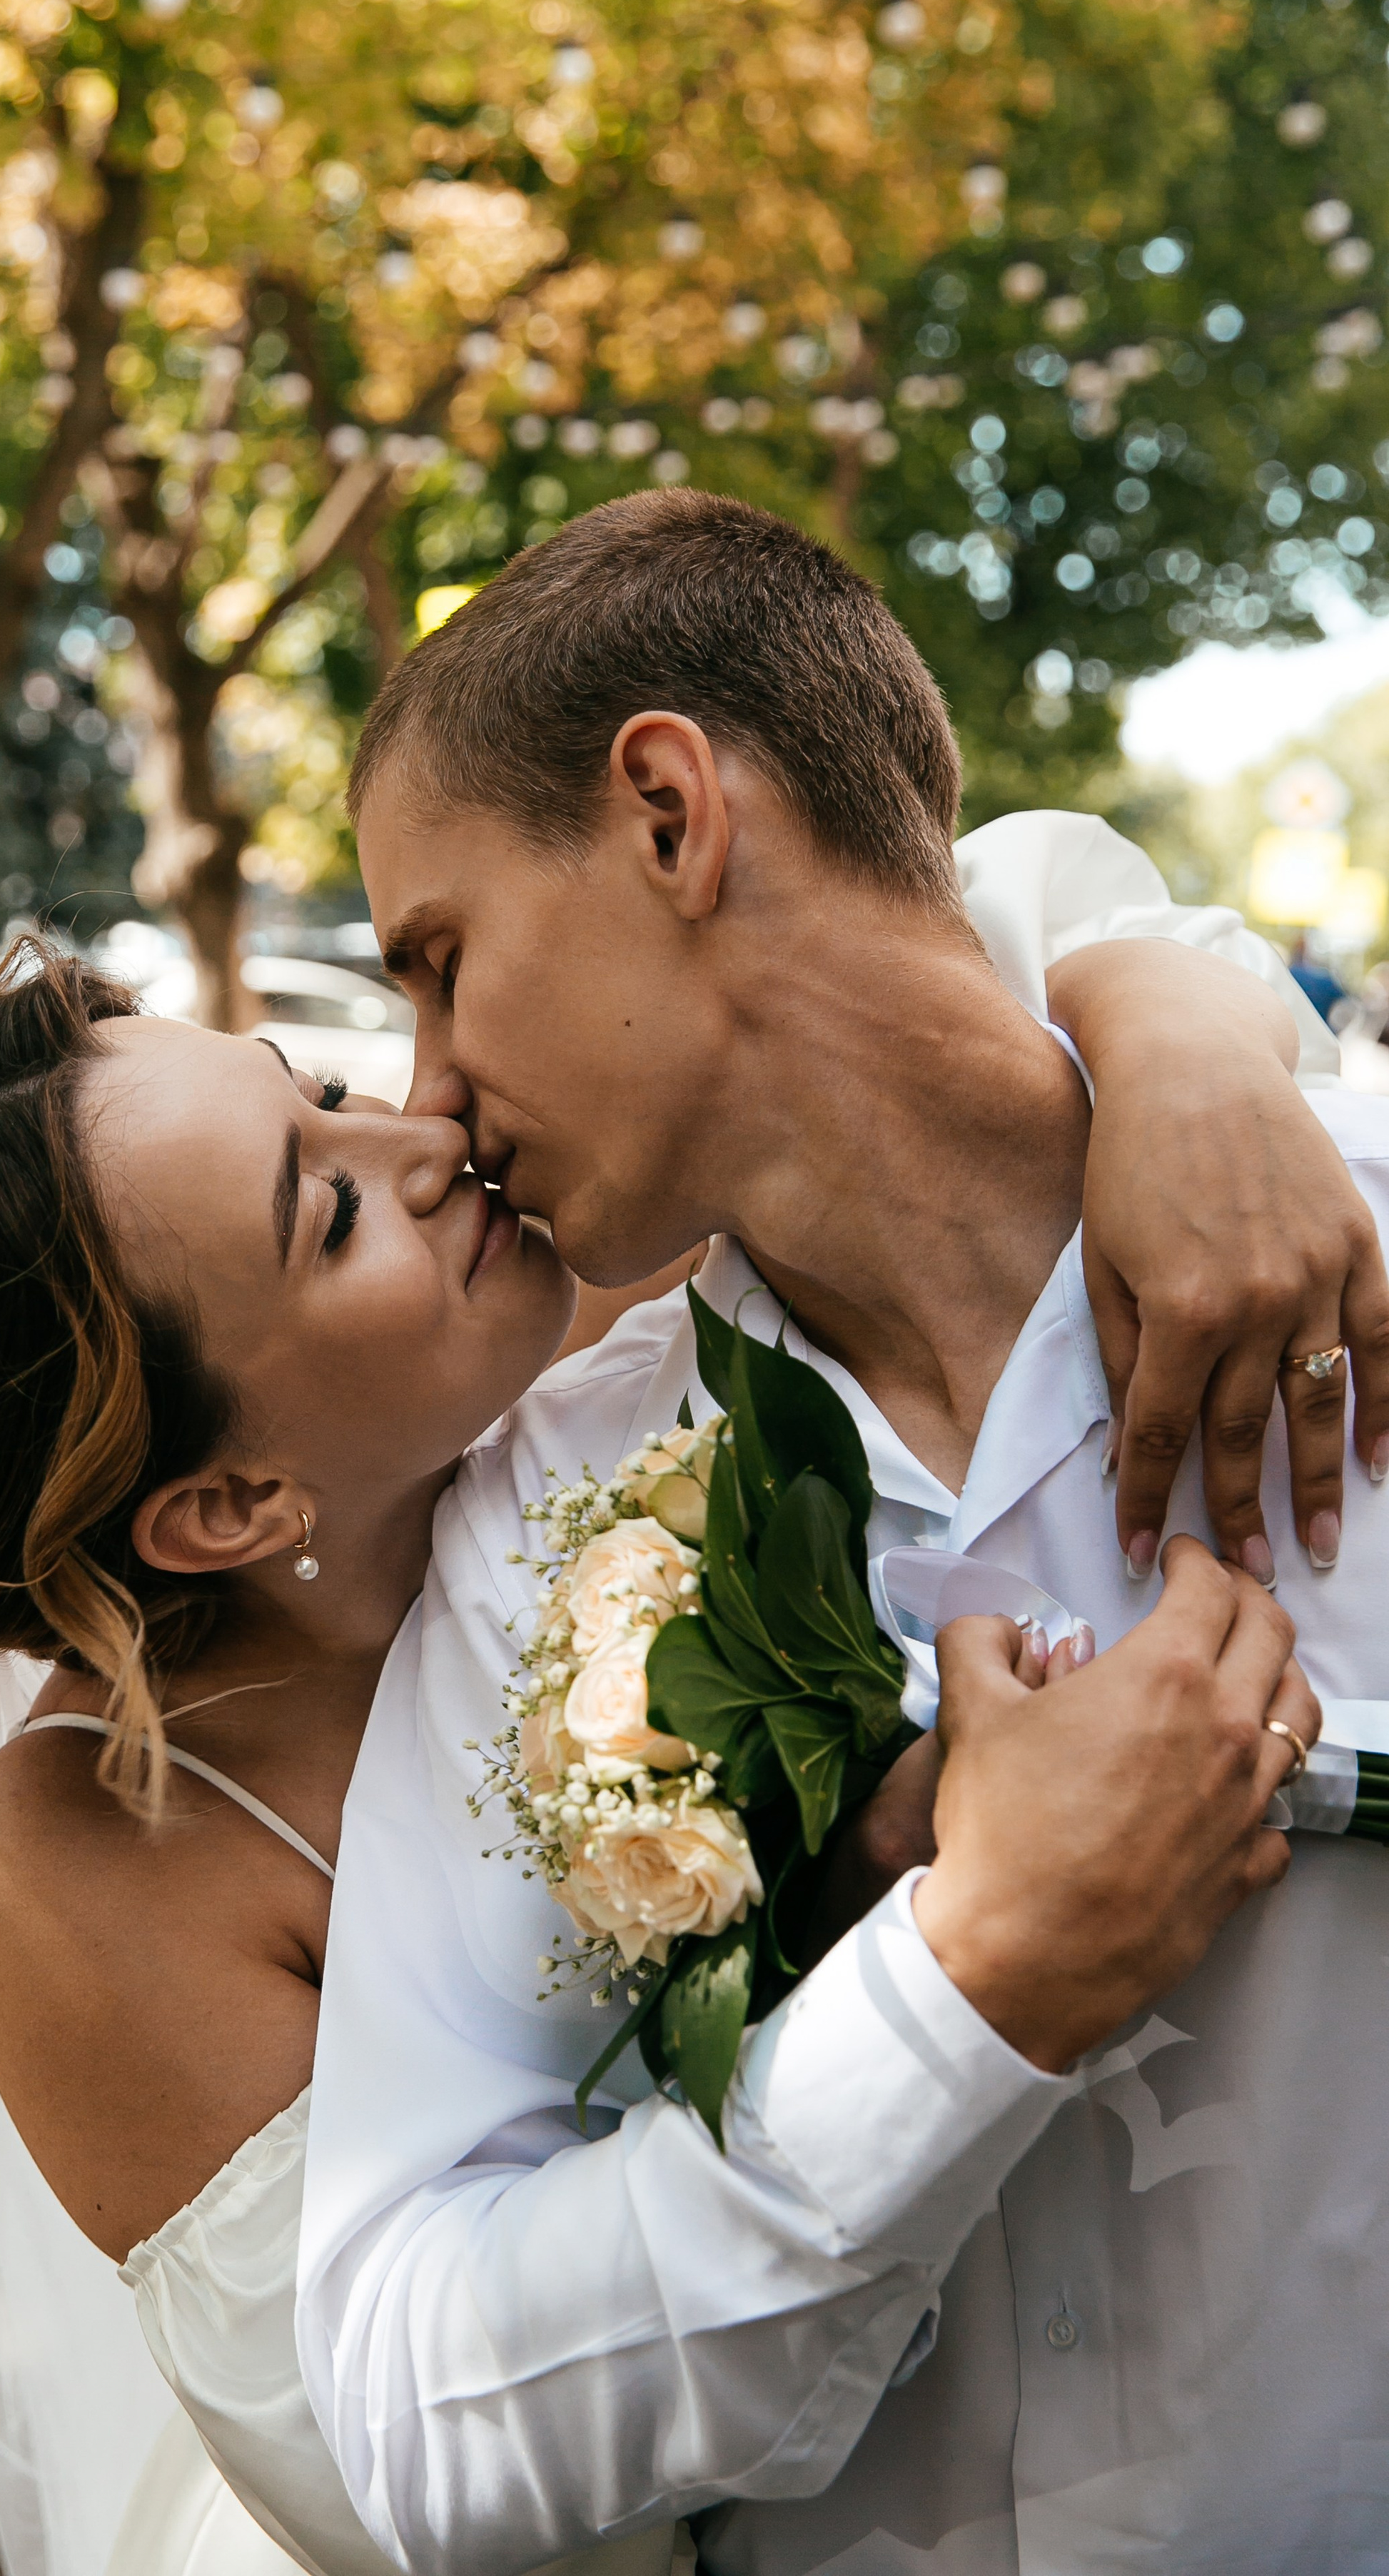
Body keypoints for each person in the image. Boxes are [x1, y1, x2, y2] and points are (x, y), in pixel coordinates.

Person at [0, 854, 1349, 2576]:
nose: (421, 1140)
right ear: (226, 1506)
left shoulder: (590, 1281)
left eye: (317, 1090)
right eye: (327, 1213)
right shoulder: (94, 1868)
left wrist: (1181, 1043)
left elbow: (973, 901)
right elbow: (390, 2472)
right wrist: (939, 1933)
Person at [292, 490, 1389, 2576]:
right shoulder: (555, 1525)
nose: (428, 1098)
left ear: (667, 815)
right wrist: (963, 1997)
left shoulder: (1358, 1235)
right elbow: (413, 2409)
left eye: (440, 962)